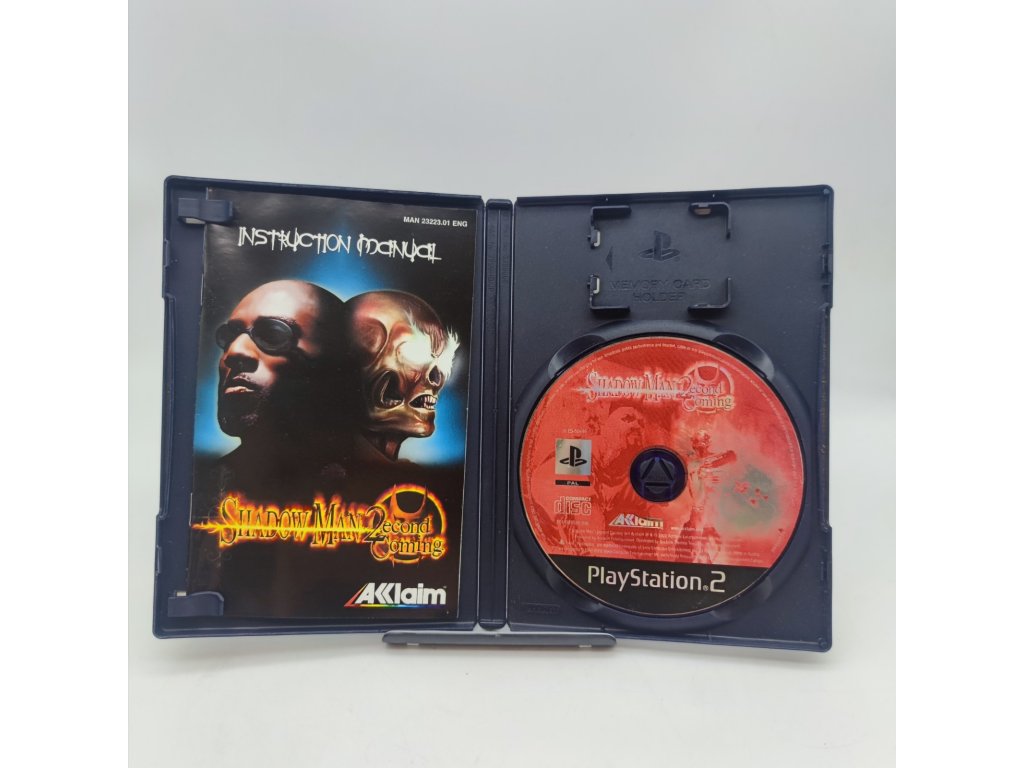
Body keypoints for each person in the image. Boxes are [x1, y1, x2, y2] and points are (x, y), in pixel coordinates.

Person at [205, 279, 349, 499]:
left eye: (272, 335)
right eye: (229, 337)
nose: (233, 352)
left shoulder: (390, 494)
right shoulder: (206, 488)